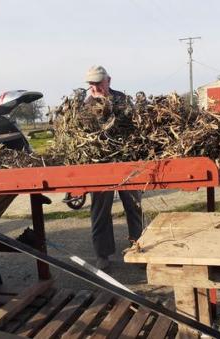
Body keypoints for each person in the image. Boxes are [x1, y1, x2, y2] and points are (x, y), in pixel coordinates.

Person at [84, 65, 143, 271]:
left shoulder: (123, 100)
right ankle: (102, 254)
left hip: (126, 163)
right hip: (100, 166)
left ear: (108, 80)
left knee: (134, 207)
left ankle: (137, 248)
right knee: (100, 211)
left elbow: (134, 126)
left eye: (98, 82)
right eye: (91, 83)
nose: (95, 87)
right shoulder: (85, 105)